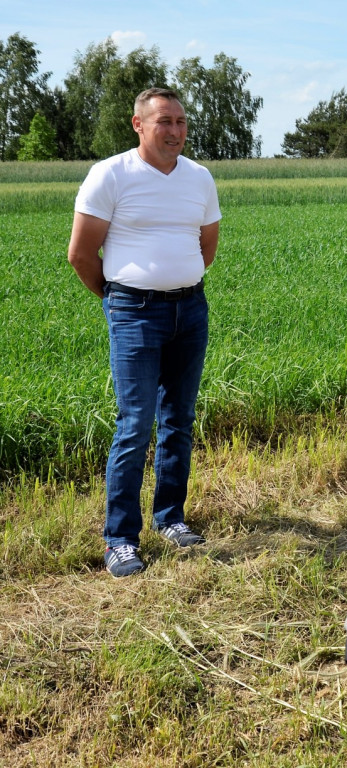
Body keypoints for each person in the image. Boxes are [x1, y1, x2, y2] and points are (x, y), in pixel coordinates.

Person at [68, 87, 221, 578]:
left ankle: (170, 519)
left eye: (180, 122)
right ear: (138, 125)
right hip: (134, 311)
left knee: (179, 419)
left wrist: (178, 285)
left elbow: (206, 249)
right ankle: (120, 539)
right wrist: (119, 302)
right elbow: (80, 254)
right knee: (135, 425)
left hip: (190, 310)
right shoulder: (111, 175)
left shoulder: (199, 177)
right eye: (164, 122)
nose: (175, 130)